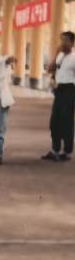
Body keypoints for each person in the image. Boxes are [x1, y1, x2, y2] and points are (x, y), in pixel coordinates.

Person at [42, 31, 75, 162]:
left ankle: (66, 151)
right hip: (59, 90)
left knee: (66, 122)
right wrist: (56, 54)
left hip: (70, 90)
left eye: (66, 40)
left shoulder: (74, 58)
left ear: (72, 43)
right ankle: (55, 150)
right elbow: (50, 69)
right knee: (54, 122)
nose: (63, 43)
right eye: (62, 40)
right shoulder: (60, 55)